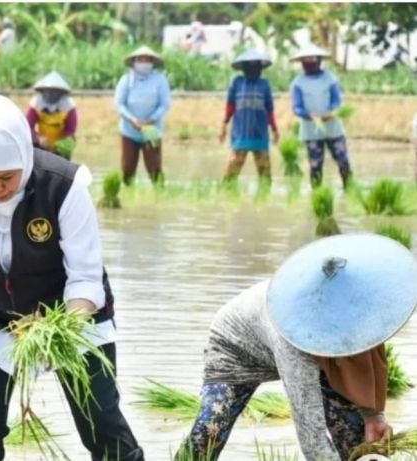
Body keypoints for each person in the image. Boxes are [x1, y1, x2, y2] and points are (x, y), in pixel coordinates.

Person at [0, 94, 145, 461]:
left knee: (100, 421)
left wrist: (56, 329)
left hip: (72, 317)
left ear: (25, 156)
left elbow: (85, 277)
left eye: (6, 176)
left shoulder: (63, 186)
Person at [176, 233, 415, 461]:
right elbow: (312, 436)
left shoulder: (359, 316)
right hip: (235, 348)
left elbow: (365, 368)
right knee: (210, 431)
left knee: (356, 440)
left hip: (311, 350)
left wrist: (373, 416)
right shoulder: (293, 335)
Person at [290, 43, 353, 189]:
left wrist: (330, 113)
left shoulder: (330, 79)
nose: (310, 65)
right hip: (311, 131)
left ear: (319, 61)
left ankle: (350, 191)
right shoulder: (298, 83)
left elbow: (336, 101)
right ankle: (317, 194)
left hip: (333, 129)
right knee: (315, 165)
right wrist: (309, 116)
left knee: (343, 161)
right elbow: (297, 108)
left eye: (313, 61)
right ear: (302, 64)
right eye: (306, 62)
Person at [220, 49, 279, 184]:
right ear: (244, 68)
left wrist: (275, 130)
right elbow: (230, 106)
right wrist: (224, 125)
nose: (253, 69)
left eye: (255, 65)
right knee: (232, 169)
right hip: (241, 133)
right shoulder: (237, 83)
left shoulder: (264, 85)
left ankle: (263, 199)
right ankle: (227, 195)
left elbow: (269, 110)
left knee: (264, 173)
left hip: (259, 134)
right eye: (249, 65)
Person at [114, 45, 171, 185]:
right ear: (134, 62)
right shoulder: (126, 80)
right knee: (127, 167)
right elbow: (119, 104)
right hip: (129, 131)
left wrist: (151, 120)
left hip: (152, 131)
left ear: (152, 63)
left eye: (147, 60)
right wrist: (131, 119)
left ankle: (159, 194)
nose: (144, 63)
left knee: (154, 168)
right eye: (141, 60)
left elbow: (165, 104)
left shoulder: (160, 80)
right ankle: (128, 192)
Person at [25, 71, 78, 159]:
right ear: (42, 91)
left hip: (61, 142)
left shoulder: (69, 106)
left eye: (54, 92)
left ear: (61, 93)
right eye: (48, 91)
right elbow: (27, 128)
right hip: (41, 142)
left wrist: (61, 145)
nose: (50, 95)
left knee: (69, 143)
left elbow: (70, 130)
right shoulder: (36, 104)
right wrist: (39, 138)